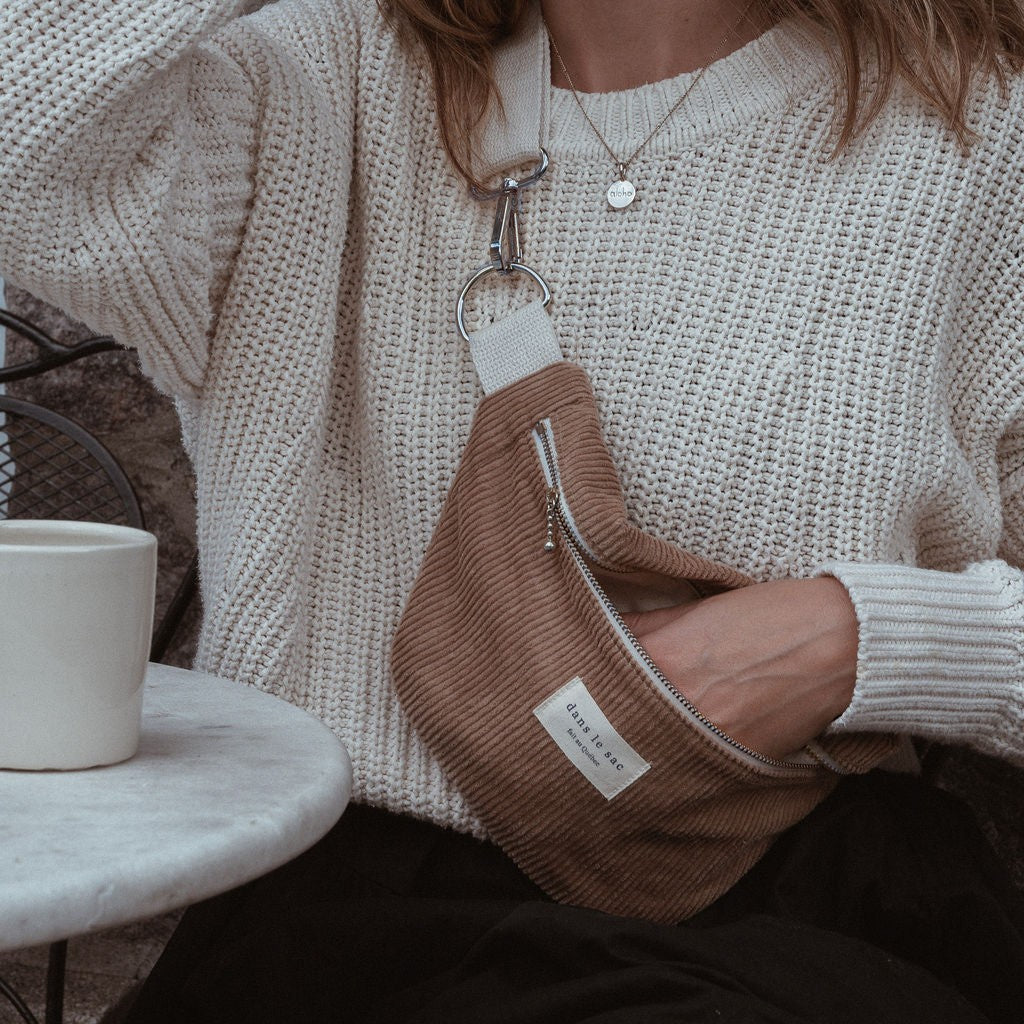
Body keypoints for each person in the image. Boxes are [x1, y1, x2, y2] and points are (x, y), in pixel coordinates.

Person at [2, 0, 1023, 1020]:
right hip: (355, 918)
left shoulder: (975, 125)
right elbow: (26, 126)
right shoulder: (312, 80)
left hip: (795, 909)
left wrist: (850, 640)